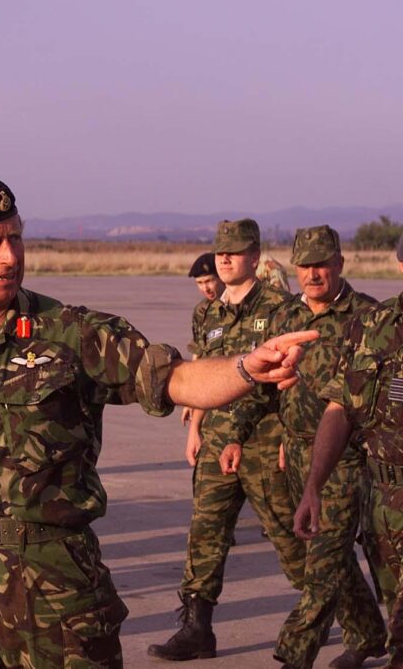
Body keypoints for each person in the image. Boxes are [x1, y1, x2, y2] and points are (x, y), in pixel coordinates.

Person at [0, 177, 316, 668]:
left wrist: (245, 368)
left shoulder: (70, 333)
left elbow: (174, 378)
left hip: (53, 582)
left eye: (15, 238)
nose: (10, 256)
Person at [295, 212, 403, 668]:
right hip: (382, 505)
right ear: (402, 264)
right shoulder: (371, 327)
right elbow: (340, 410)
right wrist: (314, 486)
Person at [220, 226, 386, 668]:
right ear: (294, 268)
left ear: (339, 264)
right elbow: (263, 385)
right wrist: (236, 432)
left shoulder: (366, 317)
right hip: (294, 453)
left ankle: (295, 655)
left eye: (322, 263)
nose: (313, 273)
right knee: (327, 556)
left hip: (346, 459)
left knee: (323, 561)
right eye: (305, 265)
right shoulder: (284, 316)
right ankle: (367, 634)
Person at [149, 218, 306, 661]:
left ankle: (341, 613)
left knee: (289, 537)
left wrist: (287, 440)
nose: (224, 258)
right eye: (220, 251)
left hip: (264, 440)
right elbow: (202, 374)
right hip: (217, 441)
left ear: (255, 258)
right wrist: (196, 428)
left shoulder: (280, 307)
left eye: (234, 252)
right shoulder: (206, 312)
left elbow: (289, 382)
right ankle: (197, 629)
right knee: (206, 534)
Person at [180, 252, 225, 435]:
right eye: (200, 283)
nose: (205, 288)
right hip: (209, 394)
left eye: (209, 281)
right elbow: (198, 353)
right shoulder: (201, 311)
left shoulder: (238, 305)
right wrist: (191, 399)